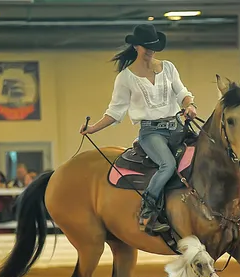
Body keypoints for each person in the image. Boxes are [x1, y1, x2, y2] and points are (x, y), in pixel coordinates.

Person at [79, 24, 197, 234]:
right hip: (151, 133)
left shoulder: (168, 67)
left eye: (153, 46)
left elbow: (182, 92)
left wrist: (189, 105)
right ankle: (147, 210)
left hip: (176, 126)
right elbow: (115, 112)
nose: (151, 50)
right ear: (136, 46)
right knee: (167, 165)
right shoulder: (125, 78)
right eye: (146, 46)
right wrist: (93, 128)